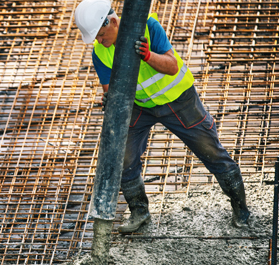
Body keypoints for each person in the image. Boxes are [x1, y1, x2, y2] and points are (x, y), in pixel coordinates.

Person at [74, 0, 250, 233]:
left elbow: (172, 66)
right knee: (123, 157)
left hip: (178, 100)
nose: (98, 41)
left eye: (101, 35)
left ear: (113, 21)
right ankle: (139, 212)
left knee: (210, 151)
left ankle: (241, 209)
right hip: (140, 105)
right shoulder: (100, 52)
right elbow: (110, 89)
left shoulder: (148, 27)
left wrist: (148, 56)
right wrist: (109, 99)